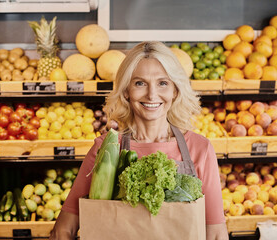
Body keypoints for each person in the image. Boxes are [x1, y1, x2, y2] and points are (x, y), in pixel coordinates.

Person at [49, 41, 228, 240]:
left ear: (175, 91)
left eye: (163, 83)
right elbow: (63, 230)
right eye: (140, 83)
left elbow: (216, 234)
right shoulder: (107, 149)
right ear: (126, 91)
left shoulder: (199, 148)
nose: (152, 94)